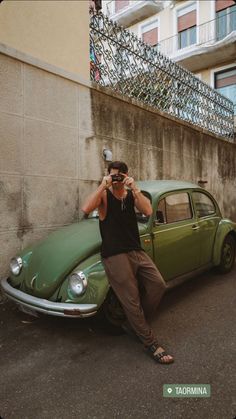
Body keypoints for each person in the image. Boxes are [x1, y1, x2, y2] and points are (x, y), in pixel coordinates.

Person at [82, 161, 174, 364]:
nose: (116, 180)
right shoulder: (105, 196)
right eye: (113, 176)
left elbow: (148, 211)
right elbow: (86, 208)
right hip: (115, 255)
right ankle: (150, 343)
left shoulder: (131, 194)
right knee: (131, 299)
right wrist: (102, 185)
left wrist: (135, 188)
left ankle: (134, 324)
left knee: (158, 285)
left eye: (119, 176)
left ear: (126, 176)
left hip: (136, 250)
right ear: (108, 176)